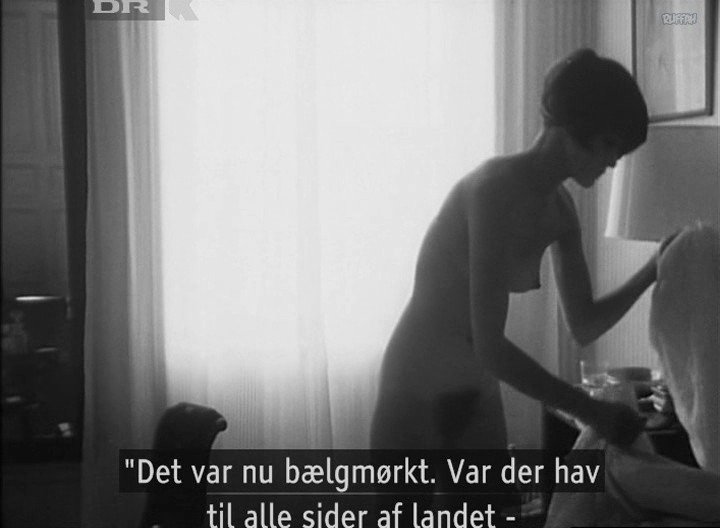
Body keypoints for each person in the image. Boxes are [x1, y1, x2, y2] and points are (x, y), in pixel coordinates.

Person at [371, 49, 668, 452]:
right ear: (574, 125)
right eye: (609, 143)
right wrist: (591, 410)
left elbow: (584, 324)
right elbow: (490, 346)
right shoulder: (491, 190)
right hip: (417, 382)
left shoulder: (561, 210)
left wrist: (652, 269)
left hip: (477, 387)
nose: (613, 162)